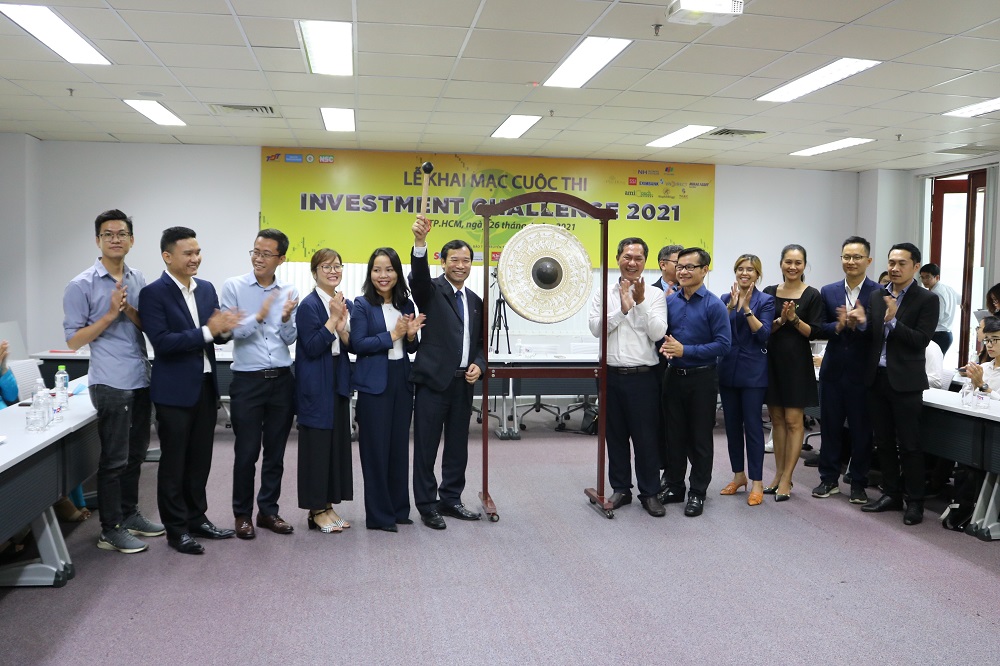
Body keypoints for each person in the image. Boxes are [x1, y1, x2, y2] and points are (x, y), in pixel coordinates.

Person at [62, 209, 162, 554]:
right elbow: (73, 341)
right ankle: (110, 529)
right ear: (98, 241)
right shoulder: (81, 284)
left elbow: (148, 326)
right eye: (108, 234)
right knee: (114, 459)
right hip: (110, 381)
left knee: (136, 455)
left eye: (121, 234)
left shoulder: (138, 279)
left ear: (131, 240)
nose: (115, 239)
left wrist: (130, 310)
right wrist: (108, 315)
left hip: (140, 377)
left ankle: (130, 514)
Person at [138, 226, 240, 554]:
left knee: (199, 461)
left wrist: (226, 329)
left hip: (205, 388)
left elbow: (215, 335)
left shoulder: (206, 289)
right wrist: (209, 331)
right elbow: (163, 343)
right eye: (188, 253)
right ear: (167, 257)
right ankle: (176, 529)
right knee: (174, 464)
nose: (196, 258)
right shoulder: (153, 294)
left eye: (197, 252)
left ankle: (197, 518)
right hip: (174, 393)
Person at [409, 214, 487, 529]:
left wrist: (479, 365)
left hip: (462, 384)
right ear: (442, 262)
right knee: (426, 447)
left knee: (457, 447)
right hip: (433, 383)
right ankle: (427, 505)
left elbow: (480, 343)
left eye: (466, 260)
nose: (460, 265)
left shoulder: (476, 301)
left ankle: (451, 498)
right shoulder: (430, 290)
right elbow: (417, 277)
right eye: (454, 260)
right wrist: (420, 243)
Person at [220, 229, 298, 540]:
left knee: (275, 453)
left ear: (281, 258)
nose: (258, 258)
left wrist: (285, 319)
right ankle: (242, 514)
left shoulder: (289, 290)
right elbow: (232, 332)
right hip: (247, 381)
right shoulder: (234, 287)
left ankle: (268, 511)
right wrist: (260, 315)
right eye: (255, 251)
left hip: (282, 379)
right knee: (247, 452)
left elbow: (290, 339)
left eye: (266, 254)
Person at [856, 242, 938, 526]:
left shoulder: (927, 299)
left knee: (910, 445)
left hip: (905, 382)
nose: (894, 268)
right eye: (891, 262)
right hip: (876, 378)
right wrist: (861, 324)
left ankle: (915, 502)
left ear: (915, 266)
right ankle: (891, 493)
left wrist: (892, 322)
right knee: (883, 441)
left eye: (902, 263)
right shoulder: (877, 295)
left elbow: (921, 340)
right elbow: (871, 336)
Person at [588, 237, 667, 516]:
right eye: (627, 257)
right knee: (615, 436)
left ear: (645, 262)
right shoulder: (603, 292)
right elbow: (596, 329)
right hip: (609, 376)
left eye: (638, 258)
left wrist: (640, 303)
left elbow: (657, 333)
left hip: (643, 377)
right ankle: (621, 488)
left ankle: (650, 493)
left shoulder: (655, 295)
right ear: (618, 259)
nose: (632, 263)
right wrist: (622, 310)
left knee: (646, 438)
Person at [351, 248, 425, 532]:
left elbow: (411, 347)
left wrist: (410, 336)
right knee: (375, 451)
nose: (383, 275)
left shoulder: (406, 304)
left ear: (397, 273)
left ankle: (398, 509)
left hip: (401, 381)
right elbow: (358, 344)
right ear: (370, 273)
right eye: (377, 270)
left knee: (398, 448)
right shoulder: (361, 305)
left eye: (389, 269)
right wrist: (393, 335)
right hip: (374, 384)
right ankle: (379, 516)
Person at [658, 248, 730, 517]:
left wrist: (685, 350)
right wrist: (665, 347)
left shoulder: (714, 305)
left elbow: (723, 345)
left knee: (700, 438)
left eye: (690, 267)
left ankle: (698, 492)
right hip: (673, 377)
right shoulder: (670, 302)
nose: (683, 271)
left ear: (704, 270)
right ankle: (675, 486)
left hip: (702, 379)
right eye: (680, 267)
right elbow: (663, 336)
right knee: (673, 436)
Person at [811, 236, 880, 505]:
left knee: (862, 431)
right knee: (830, 428)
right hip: (833, 371)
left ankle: (859, 483)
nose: (851, 262)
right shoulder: (828, 291)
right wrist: (838, 326)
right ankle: (828, 478)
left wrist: (861, 323)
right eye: (846, 257)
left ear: (868, 261)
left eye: (857, 257)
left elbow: (879, 333)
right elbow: (819, 327)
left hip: (863, 373)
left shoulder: (878, 292)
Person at [294, 249, 353, 534]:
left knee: (334, 446)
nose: (333, 271)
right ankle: (315, 510)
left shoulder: (342, 301)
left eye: (337, 266)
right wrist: (332, 320)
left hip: (337, 380)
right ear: (315, 271)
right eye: (326, 266)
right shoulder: (308, 305)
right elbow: (312, 346)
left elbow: (349, 344)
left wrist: (341, 327)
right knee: (316, 447)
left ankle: (328, 505)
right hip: (316, 382)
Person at [762, 244, 823, 502]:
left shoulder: (812, 295)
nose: (793, 267)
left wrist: (795, 319)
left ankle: (788, 477)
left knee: (794, 421)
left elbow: (815, 332)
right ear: (781, 264)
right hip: (772, 362)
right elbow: (763, 329)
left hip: (797, 363)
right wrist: (781, 320)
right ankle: (777, 475)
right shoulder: (769, 292)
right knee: (776, 420)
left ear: (804, 265)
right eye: (788, 261)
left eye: (798, 262)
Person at [718, 254, 773, 507]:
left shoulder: (766, 300)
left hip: (753, 372)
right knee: (731, 427)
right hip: (728, 369)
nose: (744, 273)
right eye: (740, 268)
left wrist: (748, 309)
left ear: (757, 274)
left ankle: (757, 481)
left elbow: (763, 334)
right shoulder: (725, 298)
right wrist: (731, 307)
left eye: (750, 269)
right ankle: (738, 475)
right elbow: (718, 330)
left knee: (752, 427)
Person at [918, 263, 959, 354]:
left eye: (928, 277)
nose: (924, 280)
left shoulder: (935, 293)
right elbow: (961, 300)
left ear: (937, 277)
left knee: (931, 361)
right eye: (922, 277)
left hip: (938, 333)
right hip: (947, 333)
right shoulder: (949, 289)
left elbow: (937, 316)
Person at [964, 316, 1000, 398]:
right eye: (987, 340)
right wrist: (973, 383)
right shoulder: (983, 367)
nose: (989, 345)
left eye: (994, 339)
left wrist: (981, 384)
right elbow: (963, 396)